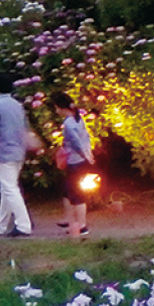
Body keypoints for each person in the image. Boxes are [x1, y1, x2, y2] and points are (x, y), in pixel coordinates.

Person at [0, 73, 42, 237]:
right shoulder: (18, 105)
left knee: (9, 189)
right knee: (7, 189)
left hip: (3, 152)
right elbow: (25, 129)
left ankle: (23, 225)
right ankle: (0, 225)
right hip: (18, 151)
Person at [52, 92, 96, 237]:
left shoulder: (69, 124)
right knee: (67, 191)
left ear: (61, 108)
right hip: (79, 160)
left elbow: (76, 143)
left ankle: (82, 226)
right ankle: (70, 220)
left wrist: (85, 154)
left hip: (75, 161)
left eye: (56, 107)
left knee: (77, 194)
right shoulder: (78, 119)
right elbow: (86, 138)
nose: (56, 110)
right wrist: (89, 154)